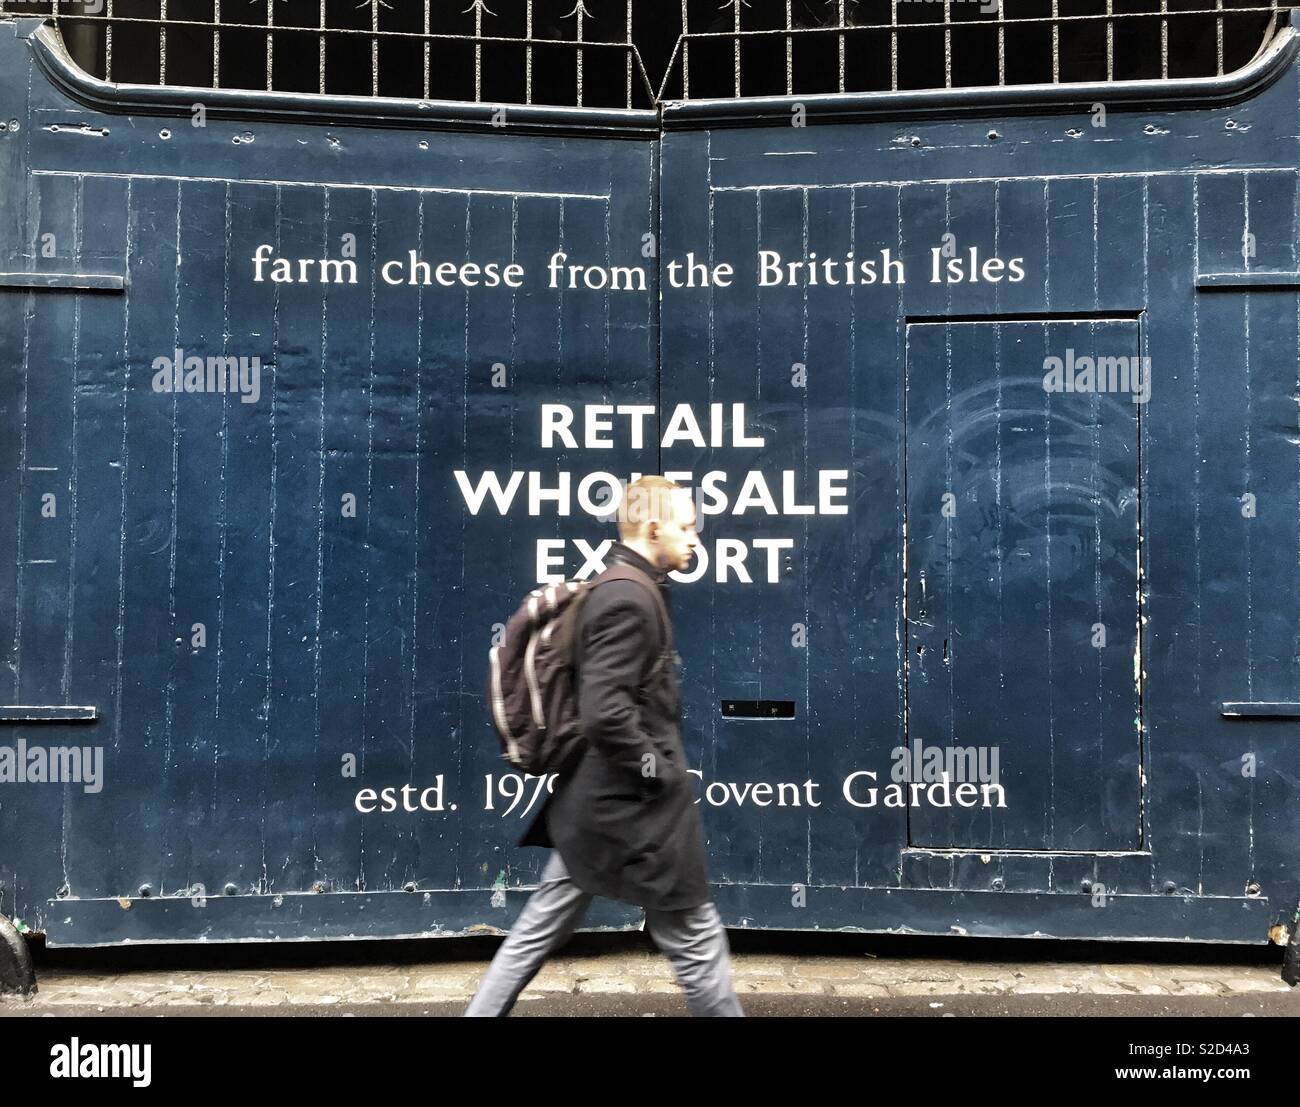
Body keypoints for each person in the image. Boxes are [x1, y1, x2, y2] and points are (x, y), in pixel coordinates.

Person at [465, 475, 744, 1017]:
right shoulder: (627, 598)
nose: (696, 539)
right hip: (627, 807)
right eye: (687, 527)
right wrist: (658, 772)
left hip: (597, 807)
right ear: (652, 527)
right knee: (696, 937)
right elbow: (605, 712)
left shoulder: (626, 586)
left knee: (538, 930)